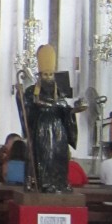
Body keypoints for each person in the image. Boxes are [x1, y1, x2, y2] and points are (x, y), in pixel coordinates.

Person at [20, 44, 78, 193]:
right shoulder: (32, 91)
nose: (48, 77)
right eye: (45, 75)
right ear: (39, 75)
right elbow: (27, 110)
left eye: (50, 74)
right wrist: (20, 98)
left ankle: (60, 183)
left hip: (59, 131)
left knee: (59, 156)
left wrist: (72, 111)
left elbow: (65, 109)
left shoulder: (60, 93)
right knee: (44, 157)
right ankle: (43, 183)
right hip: (41, 131)